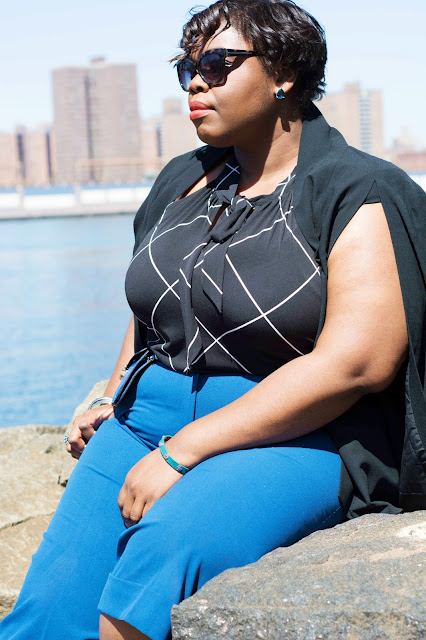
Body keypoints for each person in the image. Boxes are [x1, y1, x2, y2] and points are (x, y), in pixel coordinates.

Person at [1, 1, 425, 639]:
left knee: (154, 568)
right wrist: (111, 394)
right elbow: (153, 304)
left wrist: (183, 452)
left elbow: (357, 362)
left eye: (219, 64)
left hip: (294, 434)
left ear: (284, 72)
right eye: (188, 69)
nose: (196, 83)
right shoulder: (182, 180)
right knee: (48, 612)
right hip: (144, 419)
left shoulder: (356, 190)